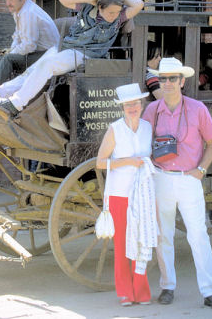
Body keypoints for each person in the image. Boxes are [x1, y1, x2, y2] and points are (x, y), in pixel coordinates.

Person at [141, 57, 212, 310]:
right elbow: (143, 144)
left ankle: (210, 291)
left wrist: (201, 170)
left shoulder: (197, 109)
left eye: (172, 78)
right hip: (161, 178)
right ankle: (167, 286)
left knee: (198, 235)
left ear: (182, 81)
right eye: (163, 79)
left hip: (189, 179)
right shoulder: (151, 111)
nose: (167, 83)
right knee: (163, 235)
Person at [0, 0, 145, 116]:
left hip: (86, 55)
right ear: (100, 7)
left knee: (47, 65)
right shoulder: (86, 7)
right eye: (111, 12)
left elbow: (138, 4)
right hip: (66, 47)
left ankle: (16, 103)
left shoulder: (119, 18)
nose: (115, 15)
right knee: (32, 69)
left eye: (117, 12)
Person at [96, 83, 156, 306]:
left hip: (143, 194)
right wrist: (128, 162)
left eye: (136, 103)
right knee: (122, 245)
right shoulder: (115, 129)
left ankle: (141, 292)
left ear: (141, 105)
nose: (132, 108)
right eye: (128, 104)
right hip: (119, 194)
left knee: (142, 242)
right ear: (122, 107)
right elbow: (100, 162)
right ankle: (125, 293)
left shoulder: (148, 128)